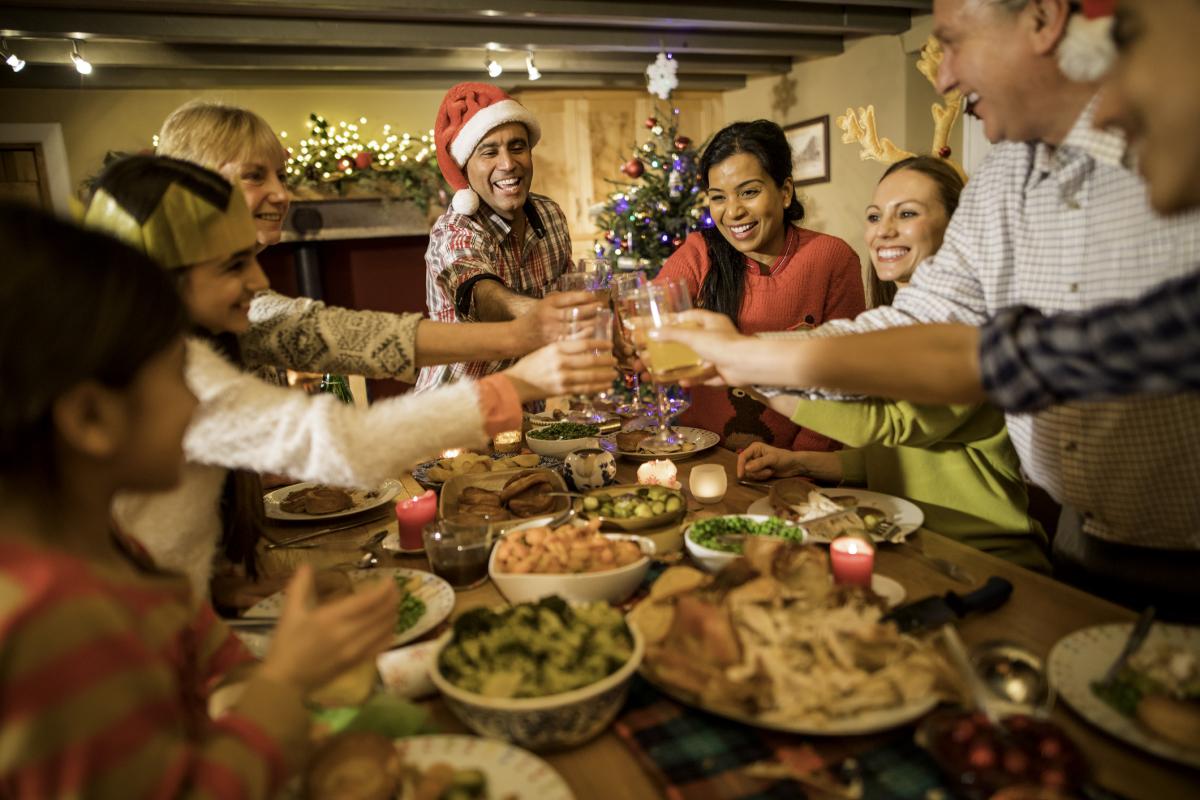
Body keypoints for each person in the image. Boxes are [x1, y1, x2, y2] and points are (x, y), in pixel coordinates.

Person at [649, 0, 1200, 617]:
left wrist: (748, 361)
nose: (941, 77)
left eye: (955, 42)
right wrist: (745, 357)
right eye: (876, 216)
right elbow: (934, 333)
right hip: (1083, 540)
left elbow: (964, 369)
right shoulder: (1003, 179)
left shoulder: (1163, 163)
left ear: (1044, 21)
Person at [85, 155, 615, 603]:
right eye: (232, 265)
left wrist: (231, 589)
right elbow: (347, 444)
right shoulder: (176, 377)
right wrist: (519, 384)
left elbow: (168, 545)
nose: (259, 280)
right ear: (155, 277)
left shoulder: (169, 352)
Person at [0, 203, 398, 796]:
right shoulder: (53, 625)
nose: (198, 401)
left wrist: (278, 657)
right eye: (176, 373)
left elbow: (201, 650)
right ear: (90, 416)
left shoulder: (113, 548)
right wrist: (284, 683)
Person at [738, 156, 1048, 570]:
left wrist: (750, 371)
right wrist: (795, 460)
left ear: (958, 229)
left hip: (988, 560)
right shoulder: (887, 328)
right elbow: (894, 455)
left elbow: (889, 422)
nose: (883, 230)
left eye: (906, 214)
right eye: (873, 216)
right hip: (908, 547)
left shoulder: (966, 332)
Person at [156, 99, 595, 391]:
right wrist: (521, 335)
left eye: (282, 177)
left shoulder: (245, 298)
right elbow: (350, 337)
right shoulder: (157, 310)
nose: (282, 194)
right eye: (255, 175)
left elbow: (328, 341)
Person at [652, 120, 865, 451]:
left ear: (785, 192)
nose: (733, 211)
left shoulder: (831, 258)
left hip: (797, 468)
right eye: (718, 197)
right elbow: (653, 315)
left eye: (749, 192)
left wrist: (799, 466)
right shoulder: (699, 252)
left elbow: (843, 381)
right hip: (704, 456)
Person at [417, 83, 579, 390]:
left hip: (526, 409)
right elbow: (482, 295)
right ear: (465, 168)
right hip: (455, 415)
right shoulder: (453, 231)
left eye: (517, 147)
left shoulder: (550, 216)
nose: (507, 164)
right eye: (489, 152)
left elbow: (569, 287)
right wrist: (539, 313)